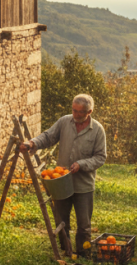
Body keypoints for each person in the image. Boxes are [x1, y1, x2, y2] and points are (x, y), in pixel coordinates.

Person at [20, 94, 106, 256]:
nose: (76, 114)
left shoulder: (97, 130)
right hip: (61, 183)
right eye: (74, 110)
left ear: (90, 111)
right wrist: (33, 143)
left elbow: (101, 157)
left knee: (84, 224)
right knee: (61, 220)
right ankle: (65, 249)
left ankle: (84, 252)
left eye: (80, 112)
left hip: (83, 185)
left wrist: (82, 164)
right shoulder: (64, 122)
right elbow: (48, 136)